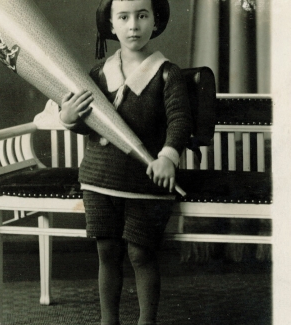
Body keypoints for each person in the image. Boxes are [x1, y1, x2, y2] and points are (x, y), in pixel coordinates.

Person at [59, 1, 191, 324]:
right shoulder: (97, 74)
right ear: (110, 24)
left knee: (140, 254)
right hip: (99, 179)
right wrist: (69, 117)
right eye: (124, 17)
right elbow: (84, 121)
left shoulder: (166, 73)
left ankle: (147, 321)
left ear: (156, 20)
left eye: (142, 16)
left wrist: (168, 156)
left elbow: (180, 120)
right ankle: (109, 321)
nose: (133, 25)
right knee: (107, 253)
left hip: (145, 182)